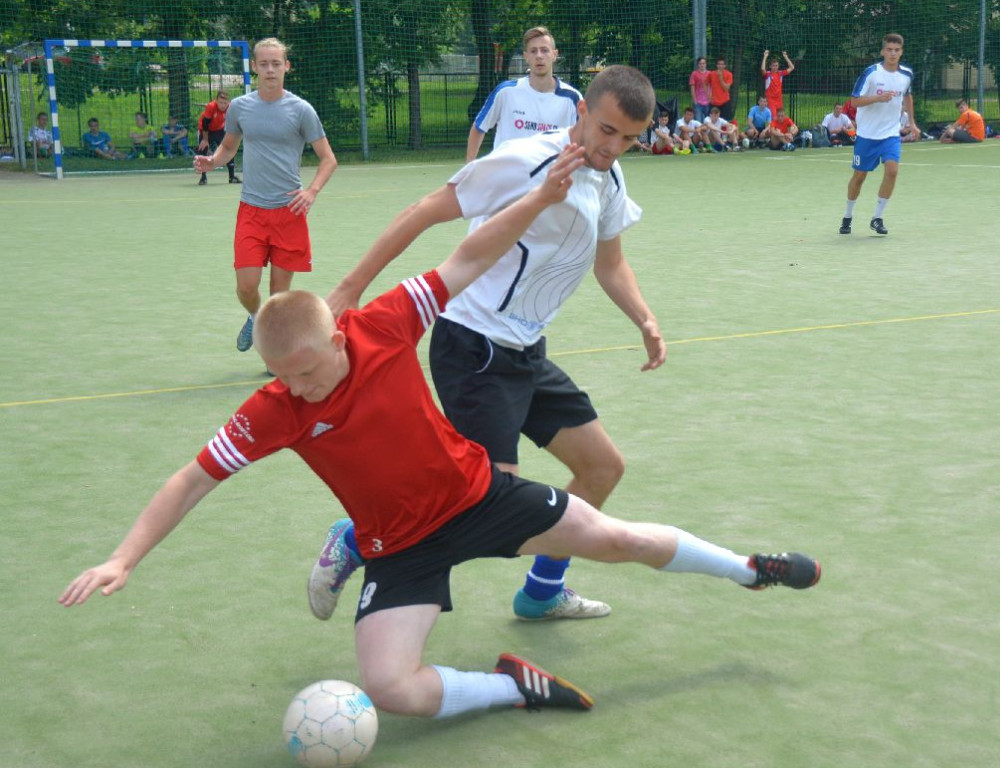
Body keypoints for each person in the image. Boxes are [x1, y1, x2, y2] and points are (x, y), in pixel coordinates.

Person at [60, 147, 822, 723]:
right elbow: (191, 478)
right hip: (399, 545)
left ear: (337, 339)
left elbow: (468, 253)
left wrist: (539, 198)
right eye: (281, 379)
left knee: (619, 538)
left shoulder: (385, 325)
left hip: (479, 495)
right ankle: (509, 686)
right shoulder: (274, 409)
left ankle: (751, 568)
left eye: (305, 374)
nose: (295, 391)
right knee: (392, 688)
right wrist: (123, 556)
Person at [323, 65, 666, 623]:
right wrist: (349, 288)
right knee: (489, 505)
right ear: (581, 112)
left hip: (526, 352)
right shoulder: (524, 160)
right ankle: (359, 540)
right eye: (606, 131)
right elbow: (424, 211)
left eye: (629, 138)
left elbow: (612, 263)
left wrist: (644, 319)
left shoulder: (611, 177)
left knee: (602, 469)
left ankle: (541, 592)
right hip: (473, 345)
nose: (615, 147)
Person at [193, 38, 338, 356]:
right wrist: (212, 162)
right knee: (247, 287)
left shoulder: (302, 110)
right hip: (252, 211)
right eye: (264, 63)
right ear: (254, 67)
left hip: (289, 213)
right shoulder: (241, 108)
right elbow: (228, 147)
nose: (270, 69)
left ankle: (276, 356)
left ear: (286, 67)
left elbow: (328, 159)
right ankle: (256, 319)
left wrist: (311, 191)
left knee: (278, 296)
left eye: (276, 63)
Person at [839, 33, 920, 236]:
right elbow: (854, 101)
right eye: (889, 50)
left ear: (901, 52)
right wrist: (877, 98)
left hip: (890, 134)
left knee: (892, 171)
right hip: (867, 134)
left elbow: (908, 97)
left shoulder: (906, 75)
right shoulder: (871, 73)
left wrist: (912, 123)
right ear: (883, 51)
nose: (893, 53)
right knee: (859, 176)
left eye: (897, 50)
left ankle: (877, 218)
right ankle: (848, 216)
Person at [466, 26, 581, 163]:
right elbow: (479, 127)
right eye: (533, 51)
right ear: (526, 56)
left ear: (554, 54)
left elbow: (585, 140)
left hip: (549, 181)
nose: (539, 56)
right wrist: (469, 168)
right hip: (508, 181)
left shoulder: (572, 99)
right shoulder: (506, 92)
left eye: (544, 50)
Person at [197, 90, 240, 185]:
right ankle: (203, 178)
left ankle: (232, 177)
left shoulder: (230, 107)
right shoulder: (211, 107)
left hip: (219, 130)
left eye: (225, 103)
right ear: (216, 101)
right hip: (205, 130)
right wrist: (205, 140)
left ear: (228, 102)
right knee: (203, 149)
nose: (223, 105)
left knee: (229, 148)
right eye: (221, 102)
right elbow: (205, 124)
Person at [761, 50, 795, 118]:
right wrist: (765, 56)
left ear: (778, 66)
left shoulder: (780, 73)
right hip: (771, 101)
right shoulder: (768, 74)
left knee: (782, 117)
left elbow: (792, 67)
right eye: (773, 66)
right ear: (770, 66)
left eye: (776, 65)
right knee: (774, 118)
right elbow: (762, 69)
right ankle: (771, 128)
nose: (775, 67)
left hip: (779, 100)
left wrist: (785, 57)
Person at [709, 57, 734, 121]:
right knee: (713, 121)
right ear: (716, 65)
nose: (720, 66)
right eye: (719, 64)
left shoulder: (729, 74)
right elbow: (705, 84)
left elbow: (726, 89)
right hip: (714, 103)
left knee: (726, 121)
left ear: (725, 65)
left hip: (725, 102)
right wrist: (708, 95)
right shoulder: (711, 74)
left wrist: (720, 78)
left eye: (722, 64)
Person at [688, 57, 712, 123]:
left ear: (706, 64)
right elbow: (692, 87)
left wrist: (710, 98)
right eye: (700, 63)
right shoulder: (694, 74)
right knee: (698, 122)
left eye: (703, 63)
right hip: (698, 102)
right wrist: (694, 100)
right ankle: (698, 133)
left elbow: (712, 87)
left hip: (707, 102)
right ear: (698, 65)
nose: (702, 65)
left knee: (708, 122)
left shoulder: (710, 74)